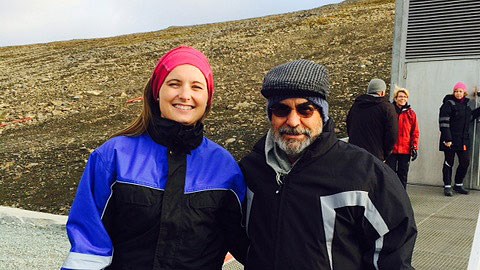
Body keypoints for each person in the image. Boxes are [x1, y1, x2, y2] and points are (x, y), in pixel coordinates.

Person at [62, 46, 247, 270]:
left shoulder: (225, 167)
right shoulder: (113, 156)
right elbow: (87, 246)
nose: (185, 95)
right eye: (174, 84)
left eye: (196, 87)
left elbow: (250, 245)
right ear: (157, 92)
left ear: (208, 99)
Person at [240, 60, 417, 269]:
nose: (293, 121)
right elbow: (239, 239)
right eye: (281, 109)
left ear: (322, 115)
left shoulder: (366, 174)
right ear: (271, 115)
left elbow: (393, 250)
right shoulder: (250, 170)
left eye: (305, 110)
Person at [439, 82, 480, 196]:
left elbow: (470, 118)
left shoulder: (466, 106)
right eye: (456, 91)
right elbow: (443, 122)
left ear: (464, 93)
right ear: (454, 92)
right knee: (448, 162)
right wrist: (447, 139)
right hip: (450, 140)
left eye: (460, 91)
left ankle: (458, 184)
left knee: (465, 162)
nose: (458, 93)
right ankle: (447, 186)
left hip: (463, 140)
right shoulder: (448, 104)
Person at [346, 78, 398, 161]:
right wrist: (385, 153)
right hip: (375, 155)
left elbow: (349, 125)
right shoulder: (387, 108)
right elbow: (392, 133)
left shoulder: (356, 105)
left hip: (355, 153)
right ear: (382, 92)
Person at [386, 86, 420, 189]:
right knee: (390, 173)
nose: (403, 99)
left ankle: (402, 195)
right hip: (391, 149)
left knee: (403, 174)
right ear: (395, 98)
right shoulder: (389, 111)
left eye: (405, 97)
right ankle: (390, 194)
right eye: (400, 96)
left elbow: (415, 131)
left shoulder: (411, 113)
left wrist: (414, 147)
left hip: (405, 149)